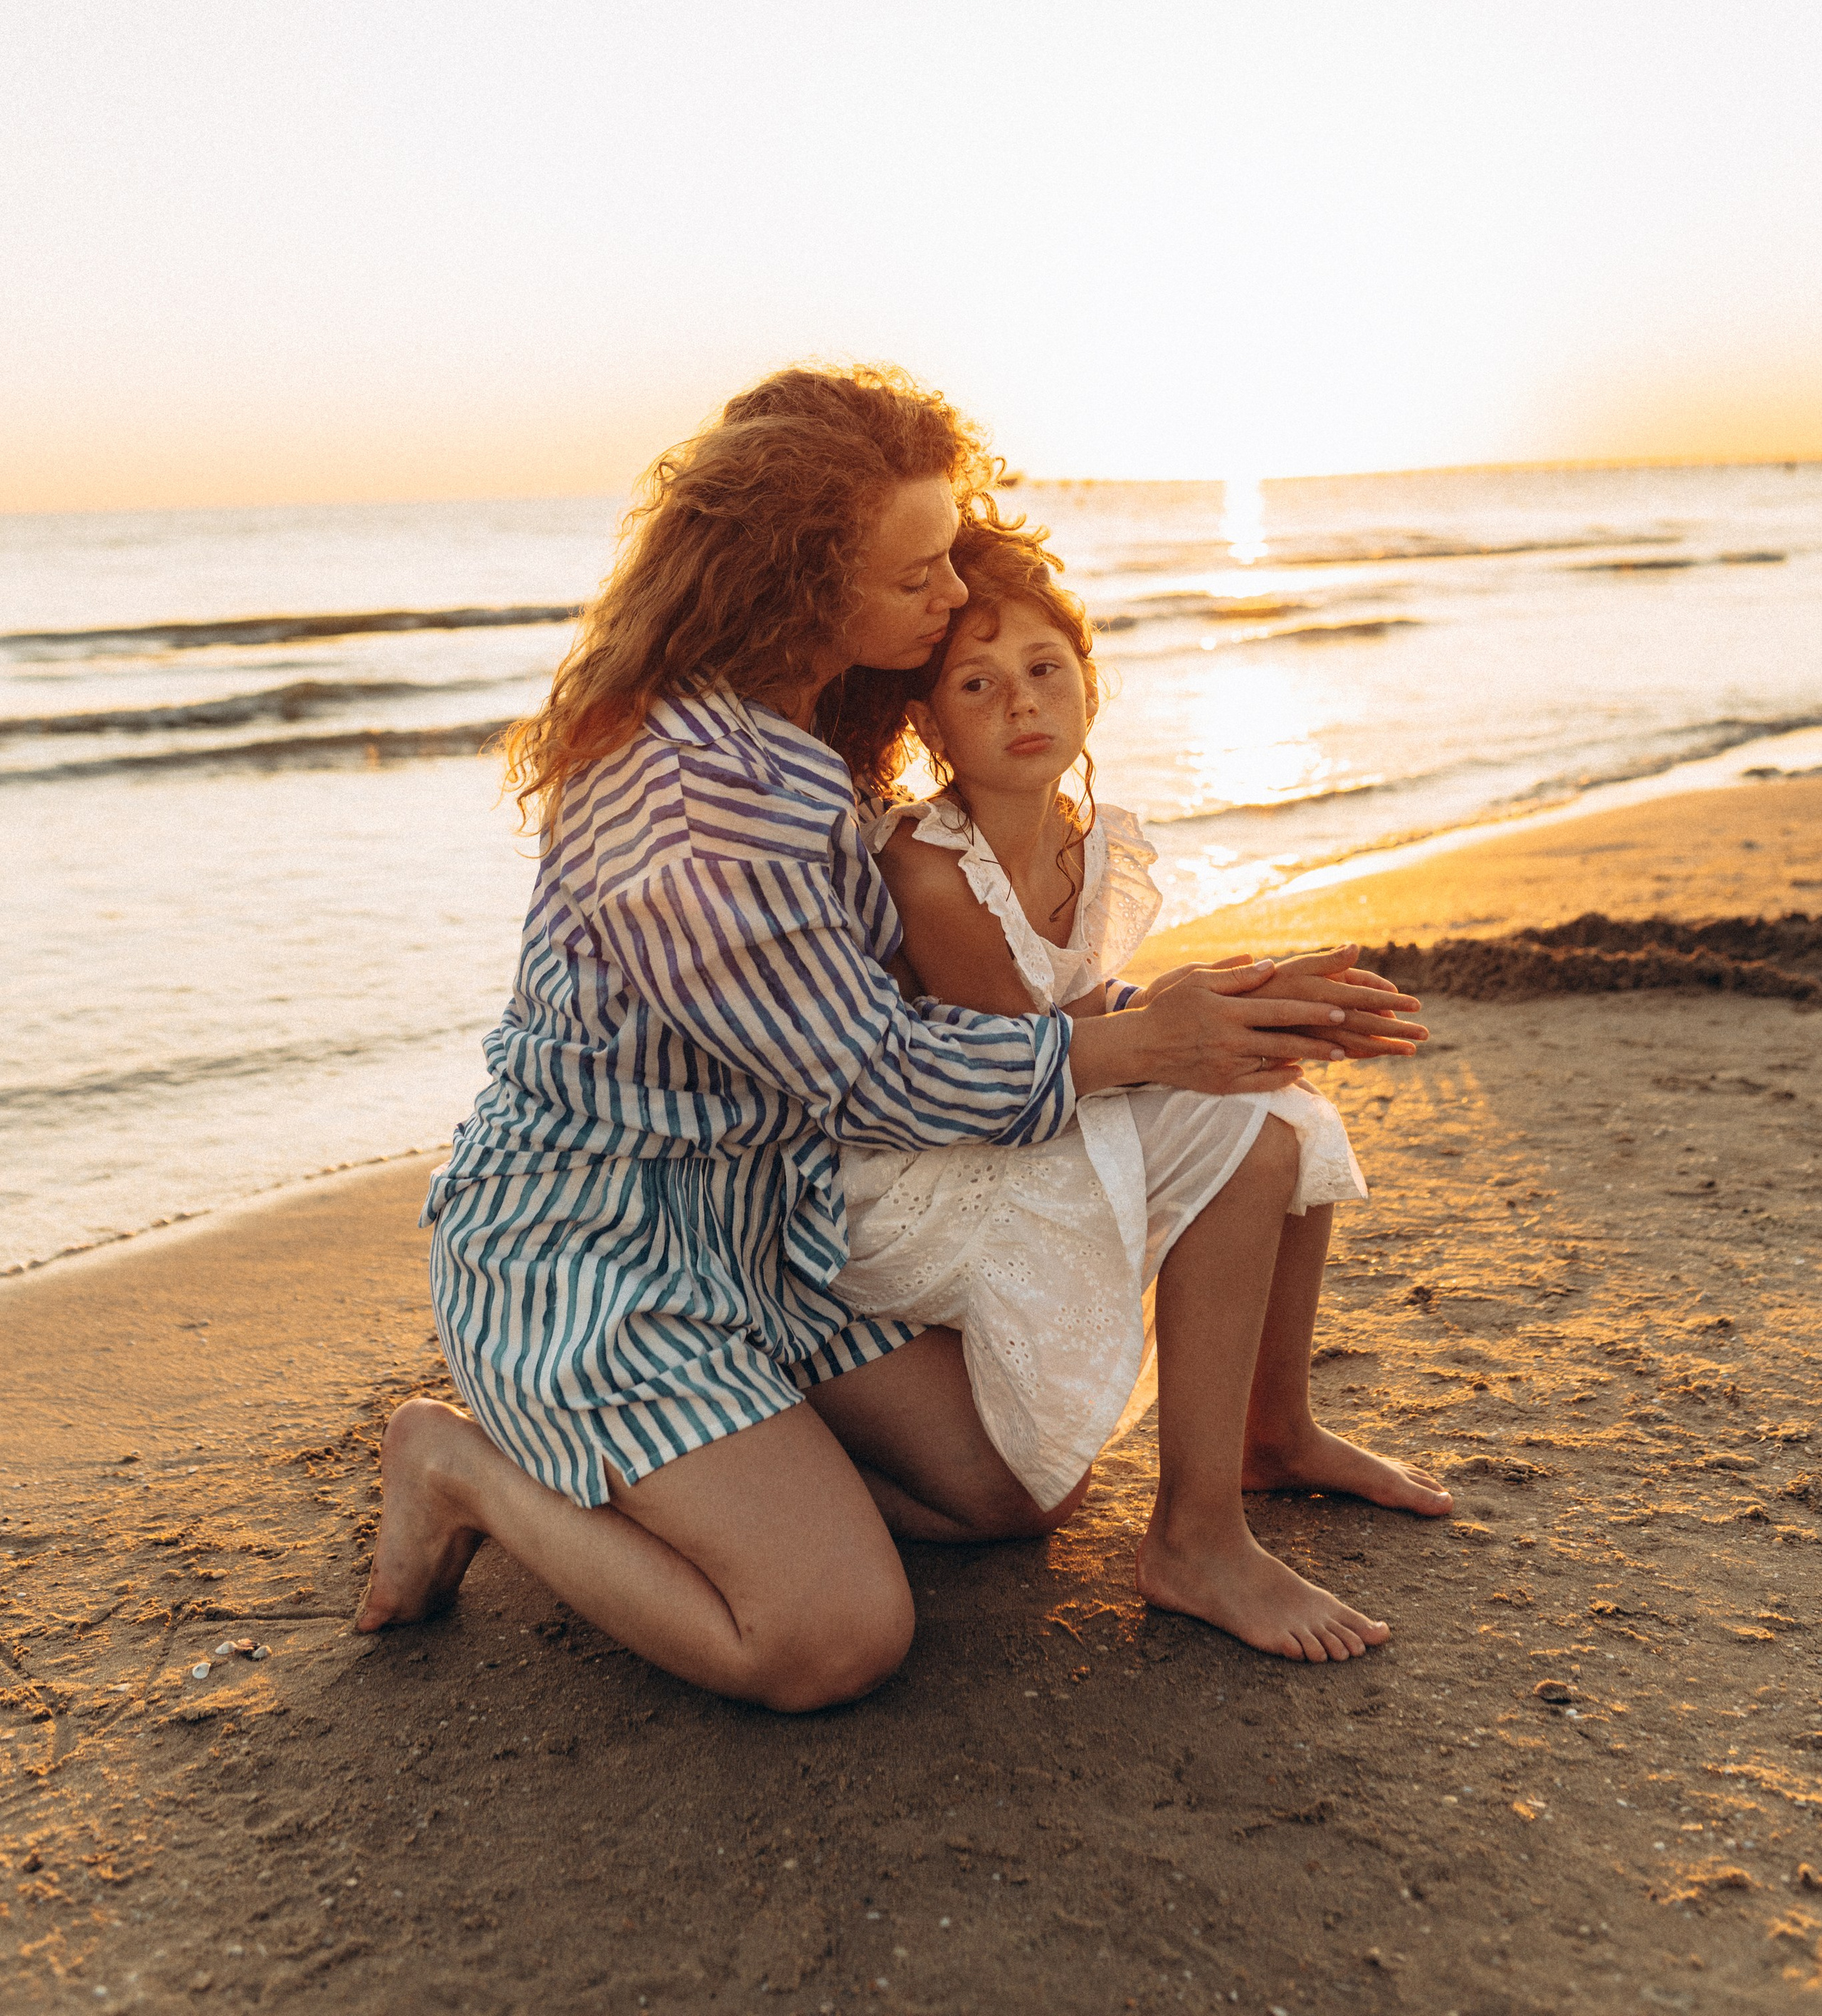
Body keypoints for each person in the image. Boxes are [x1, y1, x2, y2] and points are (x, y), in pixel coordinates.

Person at [358, 366, 1424, 1709]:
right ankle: (465, 1471)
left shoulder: (798, 729)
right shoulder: (699, 806)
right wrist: (1152, 1044)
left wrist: (1195, 1012)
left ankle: (732, 1476)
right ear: (801, 585)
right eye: (916, 573)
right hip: (600, 1262)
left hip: (771, 1234)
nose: (947, 593)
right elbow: (873, 1071)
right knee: (829, 1638)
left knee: (1011, 1495)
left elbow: (917, 1019)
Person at [829, 519, 1450, 1662]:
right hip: (927, 1170)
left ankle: (1277, 1430)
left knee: (1282, 1099)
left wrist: (1248, 1005)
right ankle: (1194, 1538)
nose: (1021, 703)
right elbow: (1011, 1067)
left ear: (1088, 686)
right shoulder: (926, 866)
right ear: (928, 723)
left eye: (1044, 670)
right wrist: (1187, 1024)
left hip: (1032, 1108)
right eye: (978, 681)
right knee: (1245, 1126)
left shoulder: (1088, 838)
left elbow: (1106, 1012)